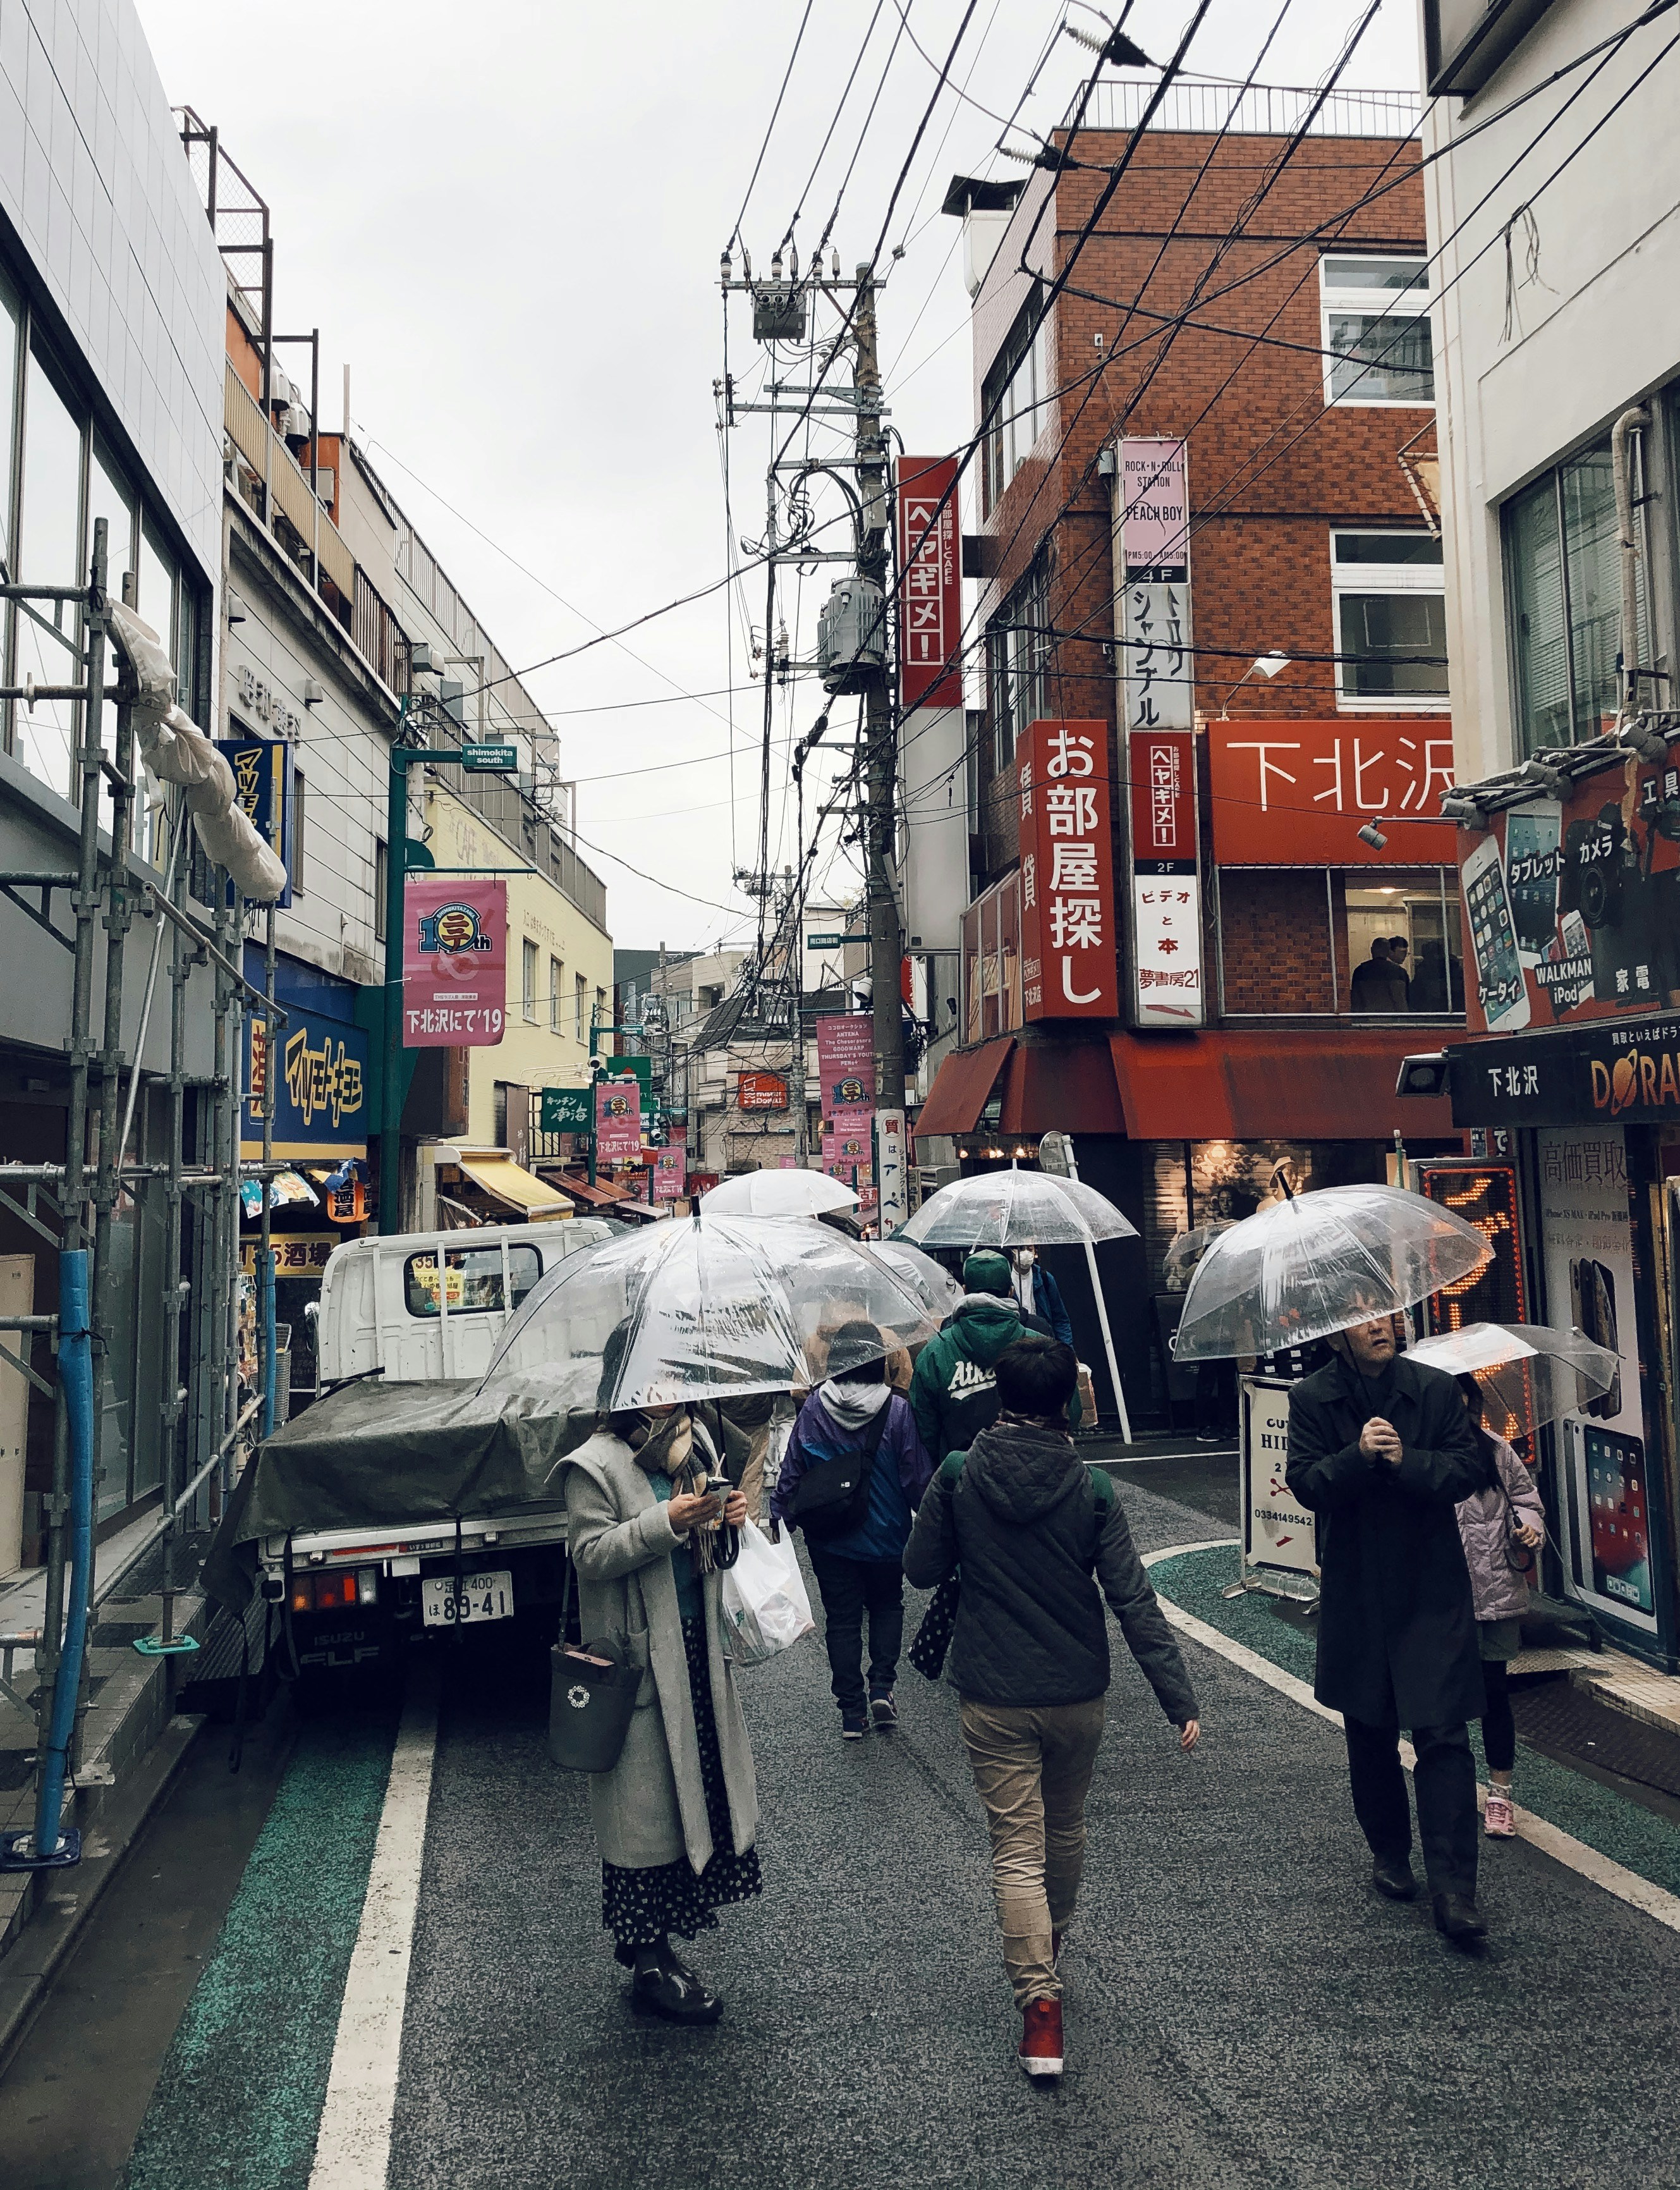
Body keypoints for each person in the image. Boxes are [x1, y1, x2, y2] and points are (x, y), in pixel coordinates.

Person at [904, 1334, 1199, 2079]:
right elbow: (1133, 1596)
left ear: (999, 1396)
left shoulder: (961, 1473)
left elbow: (920, 1567)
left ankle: (1040, 2004)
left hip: (993, 1693)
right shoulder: (1092, 1486)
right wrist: (1177, 1697)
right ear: (1067, 1399)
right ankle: (1048, 1941)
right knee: (1063, 1827)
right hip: (1077, 1690)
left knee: (1015, 1847)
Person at [1285, 1309, 1490, 1943]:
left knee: (1444, 1732)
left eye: (1390, 1315)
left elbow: (1468, 1467)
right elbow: (1305, 1482)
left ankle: (1455, 1887)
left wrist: (1406, 1459)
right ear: (1335, 1332)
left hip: (1431, 1585)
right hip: (1357, 1587)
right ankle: (1389, 1850)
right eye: (1366, 1319)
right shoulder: (1312, 1396)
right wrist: (1356, 1456)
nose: (1384, 1326)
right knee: (1369, 1728)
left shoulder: (1432, 1387)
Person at [562, 1374, 760, 2024]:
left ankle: (649, 1943)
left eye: (672, 1378)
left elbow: (714, 1547)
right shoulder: (593, 1463)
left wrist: (729, 1516)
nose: (662, 1392)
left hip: (696, 1651)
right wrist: (663, 1522)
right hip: (641, 1663)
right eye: (647, 1382)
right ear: (619, 1384)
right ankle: (651, 1958)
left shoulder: (696, 1438)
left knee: (691, 1802)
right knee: (644, 1821)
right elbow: (589, 1553)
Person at [770, 1319, 934, 1739]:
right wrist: (935, 1523)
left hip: (830, 1537)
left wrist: (779, 1522)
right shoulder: (897, 1411)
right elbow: (915, 1476)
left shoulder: (813, 1408)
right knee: (886, 1606)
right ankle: (882, 1686)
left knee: (842, 1621)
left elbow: (792, 1471)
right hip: (886, 1534)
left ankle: (851, 1713)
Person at [1452, 1376, 1545, 1838]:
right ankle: (1449, 1788)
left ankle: (1499, 1795)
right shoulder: (1418, 1457)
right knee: (1446, 1700)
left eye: (1463, 1399)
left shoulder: (1496, 1451)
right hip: (1443, 1603)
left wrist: (1529, 1528)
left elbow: (1528, 1501)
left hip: (1497, 1596)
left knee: (1494, 1696)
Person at [910, 1248, 1056, 1462]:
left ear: (966, 1290)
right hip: (1034, 1473)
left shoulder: (935, 1352)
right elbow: (1069, 1409)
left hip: (962, 1478)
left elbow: (925, 1428)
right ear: (1010, 1291)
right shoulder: (1040, 1346)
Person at [1013, 1245, 1074, 1345]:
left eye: (1029, 1249)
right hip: (1015, 1343)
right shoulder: (1005, 1279)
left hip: (1042, 1341)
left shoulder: (1045, 1278)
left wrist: (1067, 1350)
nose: (1025, 1253)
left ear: (1035, 1252)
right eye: (1021, 1249)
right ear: (1012, 1251)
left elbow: (1060, 1319)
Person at [1349, 937, 1408, 1013]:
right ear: (1388, 952)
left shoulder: (1360, 971)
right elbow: (1403, 1001)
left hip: (1367, 1018)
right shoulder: (1399, 972)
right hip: (1392, 1018)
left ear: (1372, 950)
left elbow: (1356, 1000)